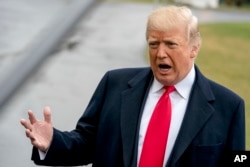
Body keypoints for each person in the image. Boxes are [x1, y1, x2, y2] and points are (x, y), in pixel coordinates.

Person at [20, 5, 245, 167]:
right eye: (153, 44)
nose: (160, 53)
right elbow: (86, 143)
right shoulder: (114, 85)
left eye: (171, 44)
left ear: (194, 48)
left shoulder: (229, 106)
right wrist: (52, 142)